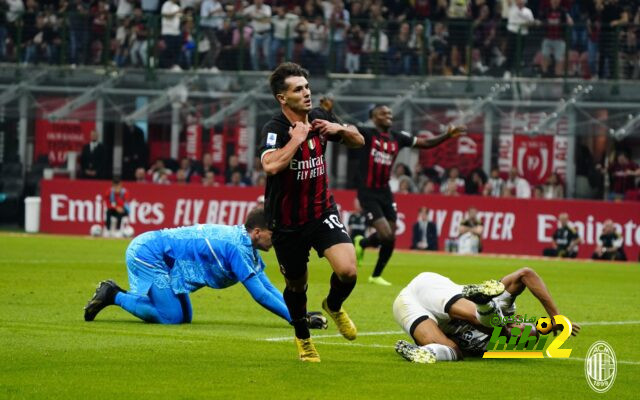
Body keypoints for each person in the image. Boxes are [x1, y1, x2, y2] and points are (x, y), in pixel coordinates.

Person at [259, 62, 364, 362]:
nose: (307, 93)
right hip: (287, 223)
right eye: (298, 89)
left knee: (348, 271)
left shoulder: (320, 117)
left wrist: (339, 129)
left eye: (306, 87)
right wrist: (297, 137)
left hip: (321, 211)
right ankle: (303, 338)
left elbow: (359, 141)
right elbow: (270, 165)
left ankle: (333, 304)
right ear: (283, 98)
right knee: (296, 285)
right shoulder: (274, 129)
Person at [84, 207, 328, 330]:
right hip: (148, 253)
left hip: (166, 259)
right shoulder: (236, 247)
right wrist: (297, 321)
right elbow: (260, 295)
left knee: (184, 318)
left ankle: (118, 295)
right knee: (170, 318)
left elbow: (266, 285)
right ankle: (112, 294)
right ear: (256, 232)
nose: (275, 241)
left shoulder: (245, 245)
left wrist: (299, 313)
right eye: (272, 236)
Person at [353, 105, 465, 286]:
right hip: (368, 192)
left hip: (385, 192)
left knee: (390, 237)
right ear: (373, 118)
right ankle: (365, 249)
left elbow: (426, 143)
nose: (388, 115)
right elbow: (344, 130)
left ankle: (370, 261)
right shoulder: (366, 133)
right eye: (382, 113)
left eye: (389, 113)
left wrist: (446, 135)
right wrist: (328, 115)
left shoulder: (398, 138)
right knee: (387, 236)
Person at [393, 267, 581, 363]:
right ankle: (483, 302)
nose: (518, 332)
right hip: (434, 290)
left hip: (406, 306)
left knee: (453, 352)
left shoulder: (484, 347)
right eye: (521, 329)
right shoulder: (505, 305)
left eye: (519, 337)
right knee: (477, 317)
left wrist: (505, 333)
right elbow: (526, 273)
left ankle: (422, 352)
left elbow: (464, 346)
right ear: (519, 320)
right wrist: (555, 316)